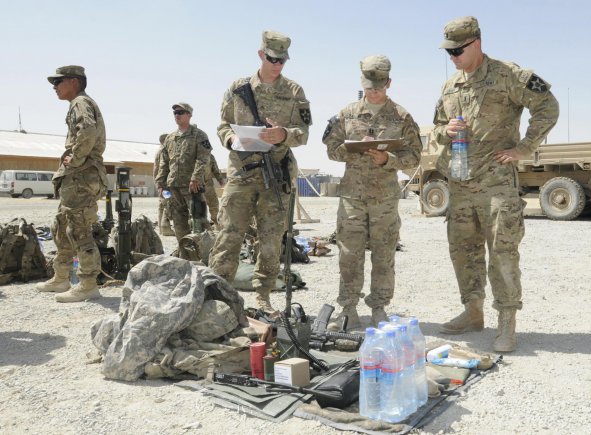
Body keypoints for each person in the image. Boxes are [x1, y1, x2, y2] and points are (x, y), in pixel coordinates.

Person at [433, 16, 559, 351]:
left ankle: (507, 322)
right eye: (449, 52)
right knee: (463, 251)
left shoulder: (509, 75)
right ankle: (472, 312)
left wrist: (524, 148)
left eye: (458, 50)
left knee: (502, 253)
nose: (453, 57)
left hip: (496, 182)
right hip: (460, 181)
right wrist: (444, 133)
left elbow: (548, 106)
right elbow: (436, 128)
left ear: (476, 43)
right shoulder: (450, 86)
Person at [208, 30, 312, 312]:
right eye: (272, 58)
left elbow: (303, 133)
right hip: (241, 174)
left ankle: (263, 296)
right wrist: (230, 139)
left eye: (282, 60)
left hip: (274, 176)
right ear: (260, 54)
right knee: (228, 236)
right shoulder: (238, 88)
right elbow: (223, 125)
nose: (277, 64)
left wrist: (283, 134)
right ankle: (219, 297)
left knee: (270, 241)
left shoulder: (294, 92)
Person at [322, 55, 422, 329]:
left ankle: (379, 308)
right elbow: (331, 150)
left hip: (385, 200)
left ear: (389, 83)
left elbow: (414, 156)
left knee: (383, 254)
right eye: (369, 86)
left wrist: (388, 159)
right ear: (362, 83)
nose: (374, 91)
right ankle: (348, 309)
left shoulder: (401, 117)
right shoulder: (347, 114)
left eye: (379, 86)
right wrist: (352, 146)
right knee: (349, 254)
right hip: (352, 196)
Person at [36, 65, 108, 303]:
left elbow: (86, 130)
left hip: (81, 176)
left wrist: (75, 159)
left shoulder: (80, 102)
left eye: (58, 82)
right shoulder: (77, 103)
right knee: (62, 225)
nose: (54, 87)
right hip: (75, 176)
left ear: (74, 81)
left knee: (78, 228)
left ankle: (88, 283)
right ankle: (61, 277)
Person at [155, 103, 212, 244]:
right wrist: (161, 183)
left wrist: (195, 178)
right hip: (173, 186)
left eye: (181, 112)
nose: (177, 115)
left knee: (199, 222)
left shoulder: (199, 135)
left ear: (189, 115)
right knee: (179, 222)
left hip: (193, 186)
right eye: (175, 113)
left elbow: (203, 158)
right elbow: (164, 162)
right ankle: (184, 251)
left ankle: (203, 253)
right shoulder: (170, 138)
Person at [155, 133, 175, 236]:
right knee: (167, 204)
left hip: (160, 182)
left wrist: (158, 183)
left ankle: (161, 228)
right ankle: (165, 227)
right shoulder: (165, 150)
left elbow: (156, 169)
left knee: (162, 205)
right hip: (165, 182)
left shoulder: (159, 151)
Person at [203, 153, 225, 229]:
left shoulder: (209, 155)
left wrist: (221, 180)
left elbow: (215, 169)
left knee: (214, 205)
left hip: (208, 185)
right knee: (198, 206)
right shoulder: (190, 153)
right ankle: (203, 226)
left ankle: (216, 223)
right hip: (193, 185)